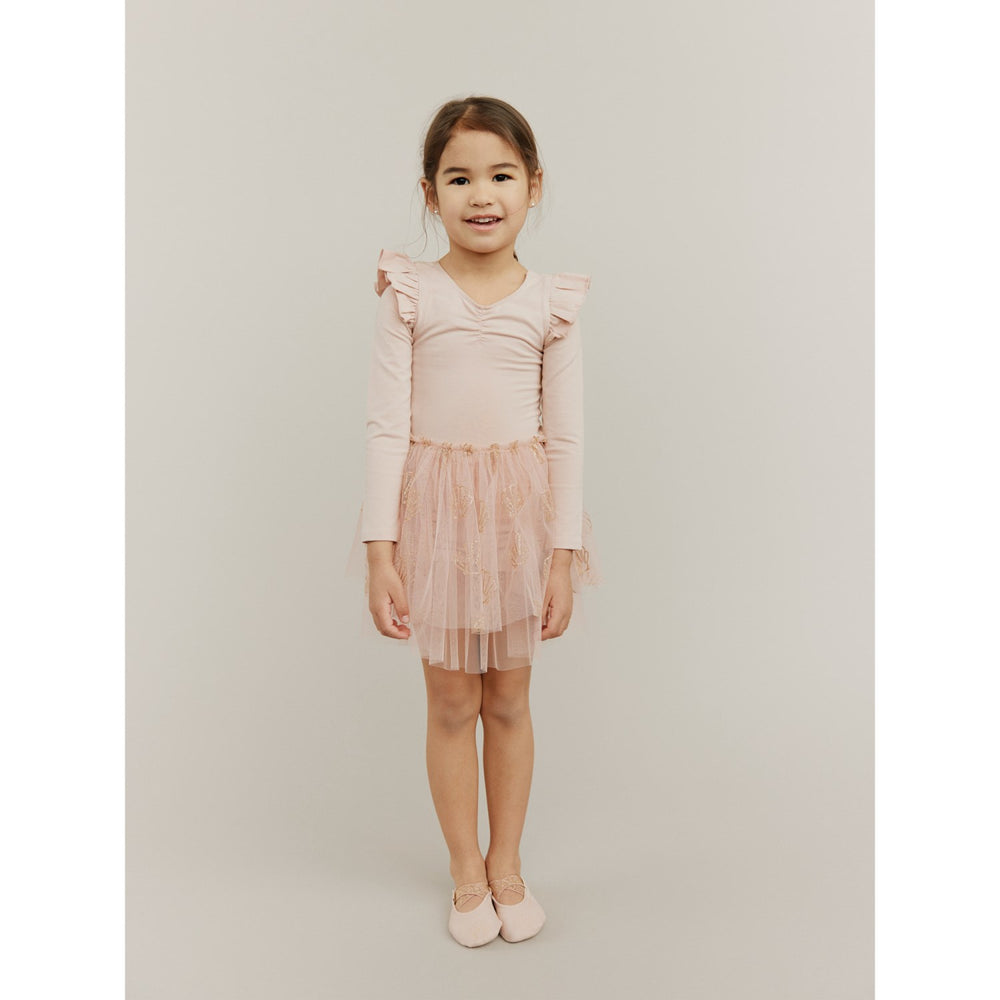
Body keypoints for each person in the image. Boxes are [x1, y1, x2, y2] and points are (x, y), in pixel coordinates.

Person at [344, 95, 602, 947]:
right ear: (430, 193)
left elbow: (565, 437)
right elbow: (386, 426)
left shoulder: (552, 304)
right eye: (459, 178)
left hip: (519, 517)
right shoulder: (409, 294)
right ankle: (466, 873)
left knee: (511, 700)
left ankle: (507, 865)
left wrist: (562, 555)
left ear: (534, 186)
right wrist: (380, 550)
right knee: (453, 700)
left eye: (500, 175)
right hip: (438, 516)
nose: (481, 194)